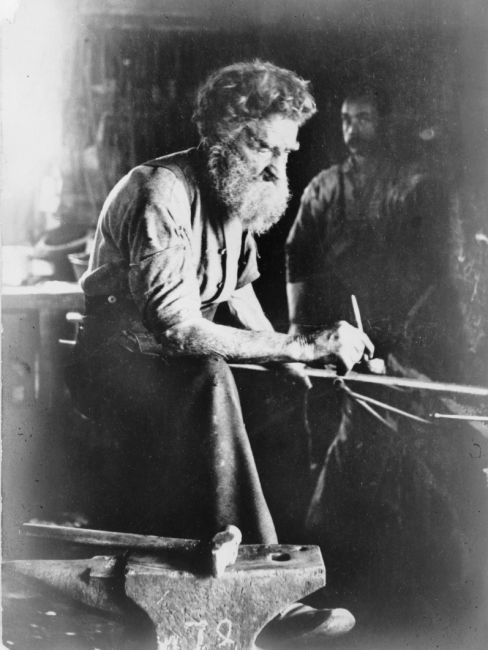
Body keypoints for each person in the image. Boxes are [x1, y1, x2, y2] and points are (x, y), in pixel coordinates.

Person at [68, 61, 373, 646]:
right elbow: (179, 330)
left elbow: (237, 291)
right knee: (211, 375)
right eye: (264, 146)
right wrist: (301, 343)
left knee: (275, 387)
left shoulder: (238, 191)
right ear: (221, 137)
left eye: (288, 151)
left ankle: (252, 573)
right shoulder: (161, 192)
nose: (278, 167)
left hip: (166, 363)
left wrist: (288, 361)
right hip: (112, 366)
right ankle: (266, 598)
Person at [285, 83, 485, 635]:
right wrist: (300, 335)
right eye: (346, 119)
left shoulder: (419, 187)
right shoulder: (325, 189)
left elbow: (443, 270)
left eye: (365, 118)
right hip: (350, 348)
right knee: (347, 456)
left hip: (413, 347)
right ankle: (335, 577)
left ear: (386, 123)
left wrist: (411, 345)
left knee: (424, 458)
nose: (353, 129)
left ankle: (434, 584)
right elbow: (298, 256)